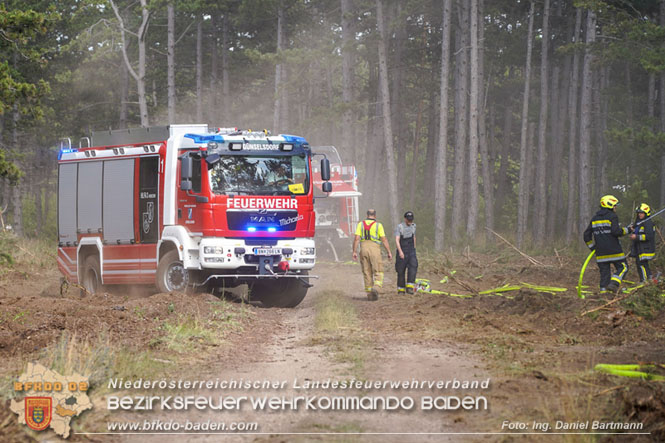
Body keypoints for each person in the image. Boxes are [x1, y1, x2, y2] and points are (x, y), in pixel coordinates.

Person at [583, 195, 629, 294]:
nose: (615, 207)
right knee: (623, 267)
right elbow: (616, 232)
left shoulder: (594, 218)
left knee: (605, 274)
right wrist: (627, 230)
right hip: (614, 251)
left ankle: (603, 294)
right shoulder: (612, 216)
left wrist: (593, 248)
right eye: (615, 205)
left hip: (601, 253)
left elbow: (586, 236)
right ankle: (614, 284)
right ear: (610, 205)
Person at [352, 209, 392, 300]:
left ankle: (370, 294)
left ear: (367, 215)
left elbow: (356, 238)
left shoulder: (360, 224)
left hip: (363, 248)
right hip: (375, 248)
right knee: (378, 269)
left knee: (366, 271)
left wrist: (354, 251)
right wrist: (389, 252)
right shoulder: (378, 225)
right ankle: (376, 287)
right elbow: (384, 239)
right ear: (375, 215)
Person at [629, 203, 656, 284]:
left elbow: (649, 236)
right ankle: (650, 279)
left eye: (641, 213)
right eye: (639, 213)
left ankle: (644, 281)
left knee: (641, 264)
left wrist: (636, 237)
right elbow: (638, 231)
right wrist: (633, 230)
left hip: (645, 249)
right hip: (640, 248)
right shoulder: (639, 222)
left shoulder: (648, 223)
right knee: (643, 264)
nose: (640, 214)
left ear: (646, 213)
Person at [395, 211, 418, 294]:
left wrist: (414, 249)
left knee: (413, 266)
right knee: (401, 270)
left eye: (411, 220)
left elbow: (414, 237)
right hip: (402, 249)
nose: (410, 221)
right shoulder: (400, 227)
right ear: (405, 219)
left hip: (411, 250)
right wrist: (400, 252)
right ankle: (401, 289)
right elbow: (397, 240)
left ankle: (410, 287)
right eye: (408, 220)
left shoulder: (414, 226)